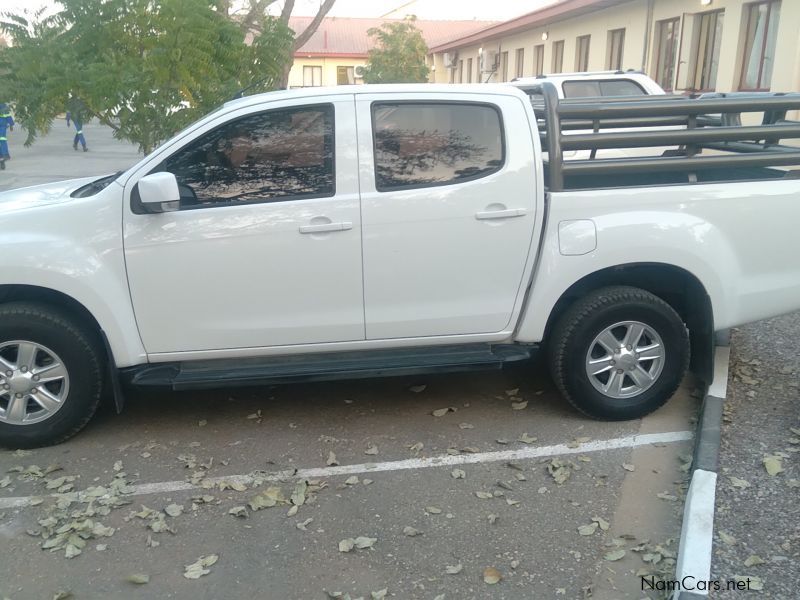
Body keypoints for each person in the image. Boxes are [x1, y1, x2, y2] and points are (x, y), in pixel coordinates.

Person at [0, 103, 13, 169]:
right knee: (2, 140)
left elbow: (8, 115)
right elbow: (8, 116)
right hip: (3, 125)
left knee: (2, 139)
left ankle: (5, 154)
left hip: (2, 126)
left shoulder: (3, 106)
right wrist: (11, 124)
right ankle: (3, 154)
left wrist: (11, 124)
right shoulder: (4, 106)